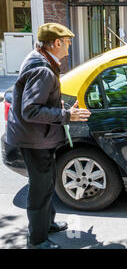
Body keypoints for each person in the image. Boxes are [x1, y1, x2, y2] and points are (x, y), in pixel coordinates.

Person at [5, 23, 91, 249]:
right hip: (34, 140)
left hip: (38, 137)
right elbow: (30, 110)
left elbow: (32, 99)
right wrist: (66, 115)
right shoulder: (43, 69)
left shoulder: (39, 59)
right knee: (40, 188)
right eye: (68, 42)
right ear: (56, 43)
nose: (70, 46)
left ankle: (47, 223)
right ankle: (37, 240)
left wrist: (55, 103)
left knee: (48, 182)